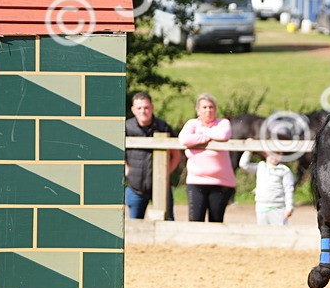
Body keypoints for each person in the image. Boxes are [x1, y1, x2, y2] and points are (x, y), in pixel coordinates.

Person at [178, 94, 236, 222]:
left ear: (215, 110)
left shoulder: (223, 123)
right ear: (198, 110)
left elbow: (223, 135)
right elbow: (184, 139)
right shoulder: (192, 124)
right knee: (195, 220)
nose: (208, 110)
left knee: (216, 221)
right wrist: (207, 137)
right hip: (196, 181)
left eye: (211, 107)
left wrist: (200, 134)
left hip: (221, 182)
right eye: (204, 107)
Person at [124, 91, 181, 221]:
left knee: (167, 223)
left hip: (161, 187)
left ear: (152, 108)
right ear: (133, 110)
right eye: (139, 108)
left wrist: (165, 173)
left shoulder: (162, 127)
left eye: (146, 107)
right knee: (134, 226)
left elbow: (176, 155)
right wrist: (127, 170)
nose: (143, 111)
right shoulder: (127, 127)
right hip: (135, 188)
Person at [239, 149, 295, 225]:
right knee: (263, 232)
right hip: (261, 206)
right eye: (272, 153)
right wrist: (249, 150)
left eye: (278, 153)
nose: (275, 156)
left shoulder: (284, 170)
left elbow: (289, 189)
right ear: (265, 153)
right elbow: (243, 165)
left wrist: (289, 207)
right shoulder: (260, 166)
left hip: (278, 208)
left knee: (279, 233)